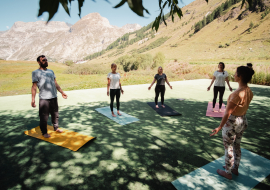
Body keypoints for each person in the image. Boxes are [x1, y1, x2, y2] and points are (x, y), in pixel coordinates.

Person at [210, 64, 255, 180]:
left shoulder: (236, 94)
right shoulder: (249, 91)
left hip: (232, 123)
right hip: (243, 121)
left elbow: (227, 113)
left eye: (235, 73)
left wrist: (219, 127)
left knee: (228, 148)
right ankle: (234, 168)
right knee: (237, 146)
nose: (234, 75)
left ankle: (228, 172)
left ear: (239, 76)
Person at [31, 55, 68, 138]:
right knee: (44, 117)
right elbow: (34, 87)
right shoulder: (35, 72)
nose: (46, 61)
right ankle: (44, 132)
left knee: (55, 114)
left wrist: (62, 92)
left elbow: (55, 83)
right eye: (43, 60)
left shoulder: (51, 71)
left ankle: (56, 128)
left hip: (54, 97)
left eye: (46, 60)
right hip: (44, 99)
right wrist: (33, 99)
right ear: (39, 62)